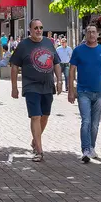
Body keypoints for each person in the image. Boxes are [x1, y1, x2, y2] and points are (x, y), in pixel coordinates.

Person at [11, 18, 64, 162]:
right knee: (35, 116)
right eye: (36, 28)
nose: (39, 30)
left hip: (47, 86)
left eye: (41, 28)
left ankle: (35, 140)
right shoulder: (23, 45)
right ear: (30, 30)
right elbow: (14, 66)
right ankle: (39, 151)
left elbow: (56, 63)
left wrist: (59, 81)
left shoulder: (48, 42)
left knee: (45, 116)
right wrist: (14, 87)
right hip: (31, 86)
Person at [68, 25, 101, 163]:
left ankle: (91, 147)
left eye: (93, 32)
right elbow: (71, 70)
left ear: (97, 34)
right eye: (89, 32)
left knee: (95, 124)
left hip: (99, 92)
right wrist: (71, 90)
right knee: (86, 121)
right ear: (85, 34)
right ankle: (85, 149)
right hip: (83, 91)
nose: (91, 34)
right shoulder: (78, 51)